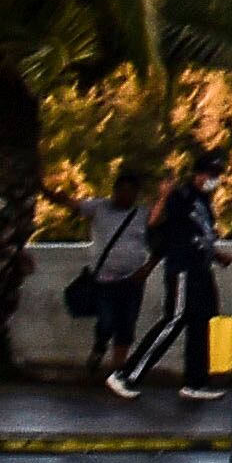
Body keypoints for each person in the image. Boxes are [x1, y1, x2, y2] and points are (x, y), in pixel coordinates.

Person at [114, 153, 229, 401]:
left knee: (202, 323)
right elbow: (154, 223)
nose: (215, 180)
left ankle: (196, 382)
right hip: (184, 268)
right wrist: (164, 195)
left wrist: (217, 255)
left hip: (201, 268)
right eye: (212, 174)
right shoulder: (182, 195)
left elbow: (195, 235)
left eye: (218, 175)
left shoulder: (204, 201)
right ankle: (126, 374)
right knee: (175, 319)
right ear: (199, 174)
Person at [76, 164, 155, 382]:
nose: (125, 196)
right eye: (122, 190)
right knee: (107, 320)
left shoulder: (142, 214)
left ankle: (117, 369)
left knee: (127, 323)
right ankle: (100, 345)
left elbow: (160, 234)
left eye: (131, 192)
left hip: (132, 279)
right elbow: (73, 205)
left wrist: (146, 268)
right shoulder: (100, 207)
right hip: (104, 279)